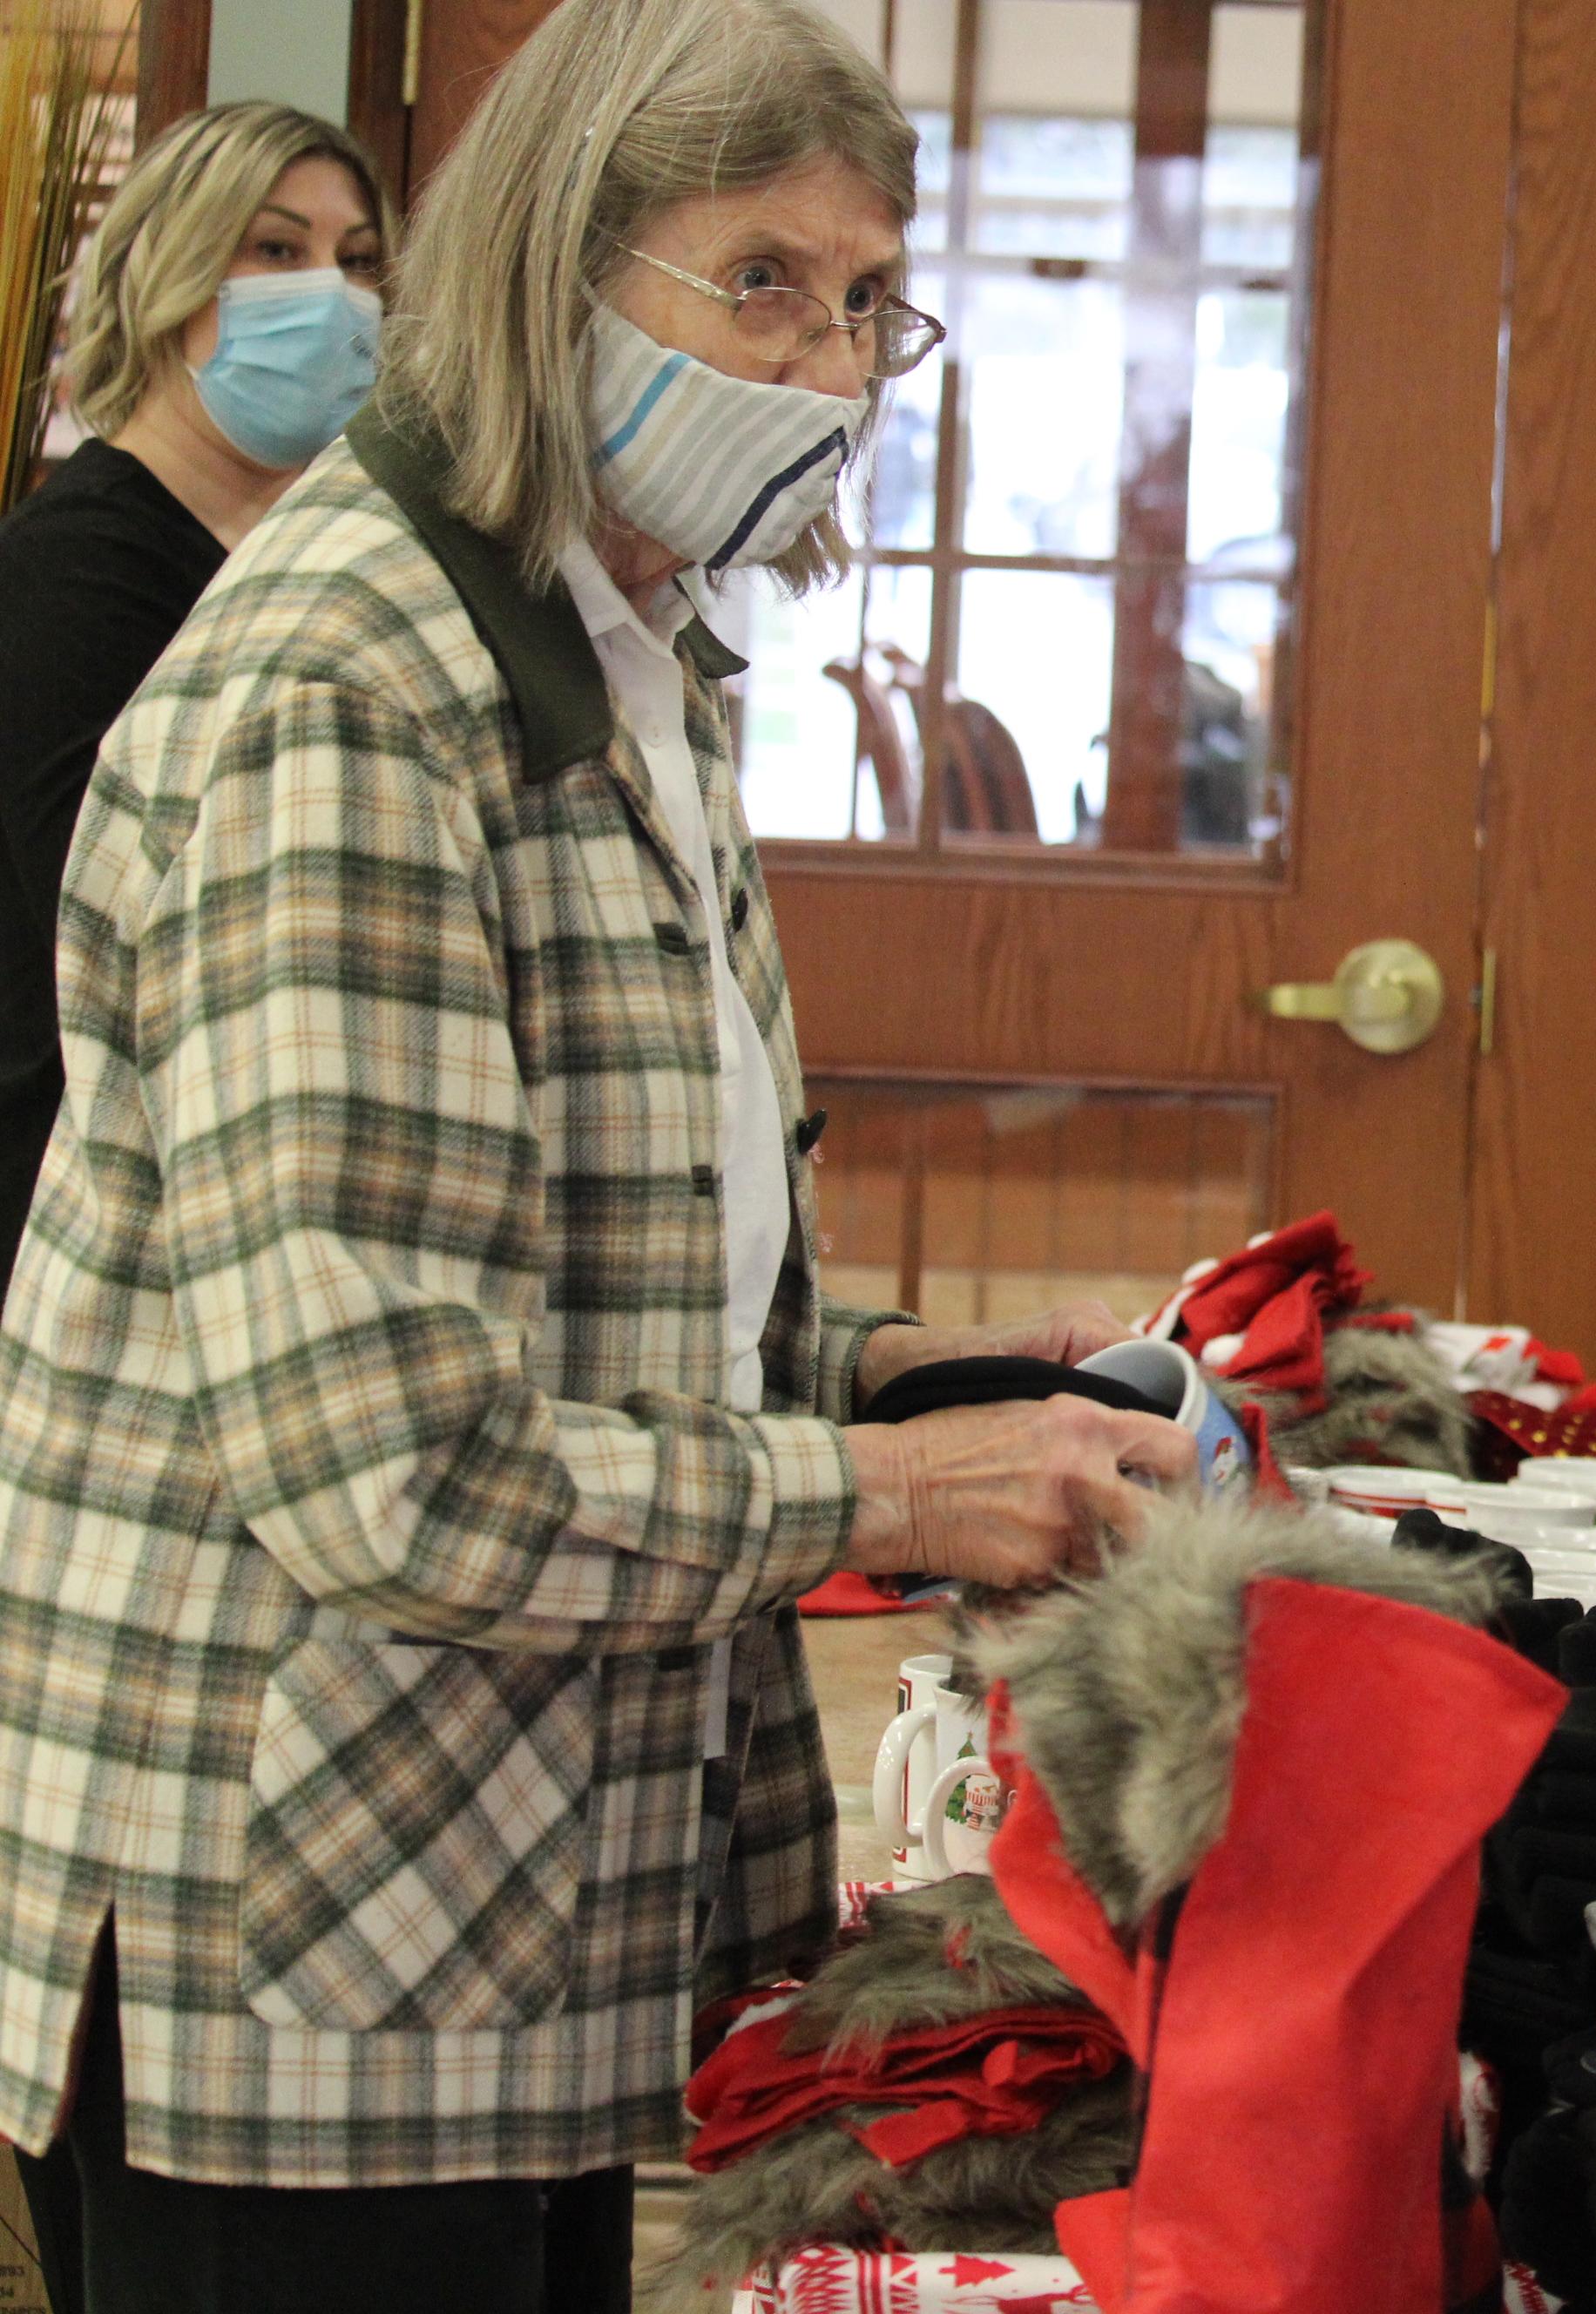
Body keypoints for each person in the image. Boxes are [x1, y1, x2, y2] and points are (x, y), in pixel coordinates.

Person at [0, 3, 1193, 2308]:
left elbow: (610, 1265)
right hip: (311, 1947)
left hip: (509, 1921)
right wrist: (888, 1503)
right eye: (758, 279)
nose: (826, 359)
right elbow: (389, 1468)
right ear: (554, 270)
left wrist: (909, 1374)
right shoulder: (353, 691)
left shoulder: (625, 655)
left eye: (864, 299)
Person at [0, 101, 389, 1299]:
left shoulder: (304, 560)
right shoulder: (71, 572)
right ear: (169, 280)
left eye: (359, 261)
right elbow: (108, 914)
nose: (330, 293)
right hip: (78, 1217)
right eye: (276, 251)